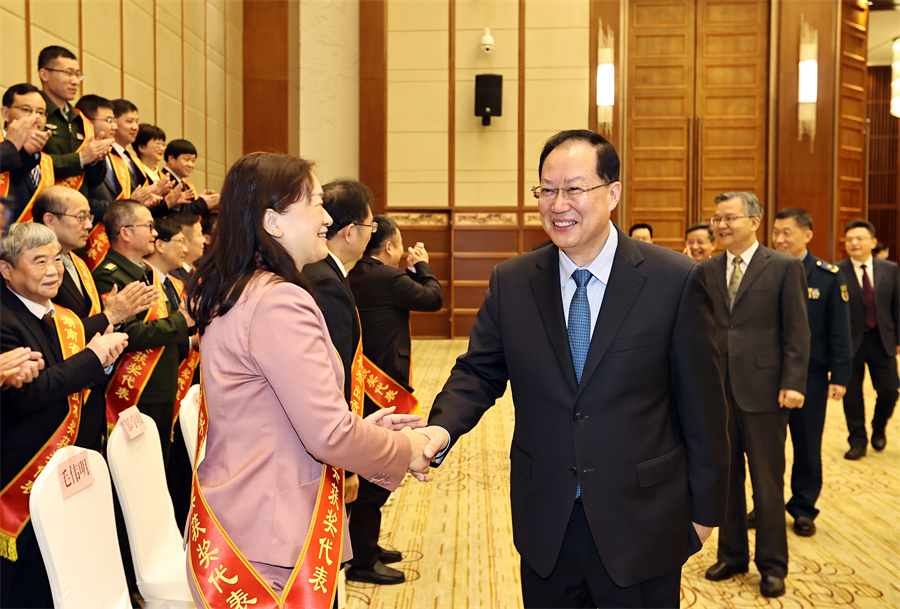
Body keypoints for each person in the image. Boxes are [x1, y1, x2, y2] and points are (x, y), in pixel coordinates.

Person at [421, 130, 729, 608]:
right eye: (547, 190)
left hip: (643, 521)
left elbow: (704, 405)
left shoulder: (674, 279)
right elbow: (479, 372)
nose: (558, 204)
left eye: (574, 188)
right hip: (547, 521)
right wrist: (437, 431)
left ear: (613, 193)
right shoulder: (513, 281)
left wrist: (706, 512)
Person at [184, 152, 433, 603]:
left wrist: (362, 430)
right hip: (271, 538)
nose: (327, 217)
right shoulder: (279, 301)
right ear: (273, 222)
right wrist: (405, 449)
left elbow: (276, 414)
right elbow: (328, 434)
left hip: (246, 517)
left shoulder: (241, 288)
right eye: (315, 204)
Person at [0, 222, 128, 608]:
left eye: (57, 260)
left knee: (56, 574)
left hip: (65, 464)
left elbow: (70, 377)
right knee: (20, 579)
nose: (53, 270)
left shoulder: (63, 316)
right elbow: (27, 396)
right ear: (7, 269)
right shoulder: (4, 319)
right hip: (22, 469)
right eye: (39, 261)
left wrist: (102, 361)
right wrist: (91, 357)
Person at [700, 192, 809, 599]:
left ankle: (772, 565)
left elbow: (797, 330)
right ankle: (732, 555)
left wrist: (793, 382)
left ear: (754, 221)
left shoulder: (783, 267)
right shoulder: (707, 269)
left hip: (766, 393)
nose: (722, 225)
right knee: (725, 479)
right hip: (718, 392)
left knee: (767, 483)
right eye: (717, 218)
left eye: (730, 217)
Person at [346, 214, 443, 585]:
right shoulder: (389, 278)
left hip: (362, 385)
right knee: (375, 475)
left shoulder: (352, 274)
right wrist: (422, 266)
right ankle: (363, 559)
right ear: (389, 247)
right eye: (400, 244)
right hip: (383, 387)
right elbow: (433, 298)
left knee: (369, 470)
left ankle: (364, 546)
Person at [92, 200, 194, 464]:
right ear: (125, 233)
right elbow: (129, 333)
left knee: (158, 470)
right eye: (148, 226)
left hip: (162, 383)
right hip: (137, 389)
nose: (154, 233)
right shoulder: (108, 275)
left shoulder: (146, 273)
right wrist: (181, 321)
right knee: (134, 471)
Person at [771, 207, 852, 536]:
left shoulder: (827, 276)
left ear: (807, 235)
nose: (779, 239)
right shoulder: (766, 270)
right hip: (768, 376)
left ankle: (803, 507)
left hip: (811, 378)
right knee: (767, 448)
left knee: (806, 446)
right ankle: (766, 504)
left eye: (786, 233)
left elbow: (840, 331)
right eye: (775, 232)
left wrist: (841, 377)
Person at [837, 220, 899, 458]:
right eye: (849, 239)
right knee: (852, 394)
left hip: (882, 338)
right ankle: (857, 440)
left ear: (873, 242)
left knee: (890, 390)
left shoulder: (890, 269)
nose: (854, 243)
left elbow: (897, 306)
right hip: (849, 341)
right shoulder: (836, 271)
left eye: (859, 238)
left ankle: (879, 426)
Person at [37, 45, 110, 197]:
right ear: (44, 74)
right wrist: (80, 159)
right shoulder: (33, 112)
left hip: (77, 205)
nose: (75, 81)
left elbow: (94, 181)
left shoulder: (80, 120)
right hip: (43, 202)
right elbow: (29, 164)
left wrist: (95, 160)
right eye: (68, 73)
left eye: (78, 75)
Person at [1, 84, 53, 222]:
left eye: (41, 112)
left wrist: (28, 153)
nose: (35, 118)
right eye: (26, 110)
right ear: (5, 113)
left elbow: (15, 179)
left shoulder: (40, 156)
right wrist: (11, 145)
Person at [159, 139, 219, 216]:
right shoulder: (161, 180)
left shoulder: (187, 185)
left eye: (193, 161)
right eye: (186, 159)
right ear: (171, 159)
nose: (190, 165)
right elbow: (174, 212)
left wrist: (206, 202)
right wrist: (201, 203)